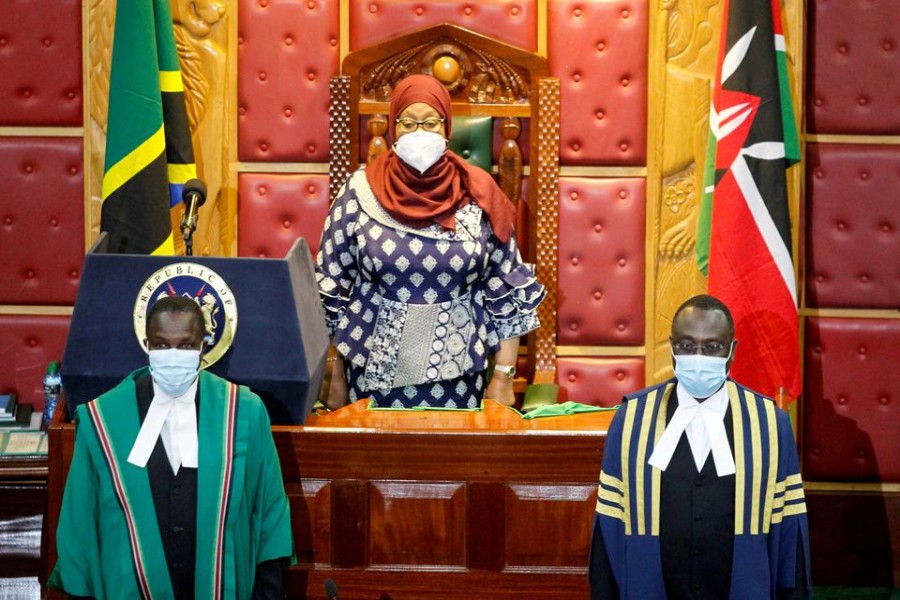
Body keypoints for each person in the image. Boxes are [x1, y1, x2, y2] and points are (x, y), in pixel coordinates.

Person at [316, 74, 545, 409]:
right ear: (394, 127)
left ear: (447, 128)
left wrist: (504, 376)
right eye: (408, 123)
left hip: (460, 375)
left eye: (430, 123)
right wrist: (333, 373)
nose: (419, 133)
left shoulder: (479, 193)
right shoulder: (358, 193)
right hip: (369, 377)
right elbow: (330, 288)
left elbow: (506, 288)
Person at [50, 295, 293, 599]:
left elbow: (270, 513)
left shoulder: (244, 412)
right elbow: (79, 527)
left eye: (186, 345)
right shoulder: (102, 419)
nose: (173, 355)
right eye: (162, 345)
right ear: (146, 344)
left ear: (203, 345)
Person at [589, 294, 811, 599]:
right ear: (672, 348)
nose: (698, 356)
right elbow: (608, 532)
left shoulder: (770, 424)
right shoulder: (631, 420)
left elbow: (790, 538)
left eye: (712, 347)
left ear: (732, 352)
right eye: (686, 345)